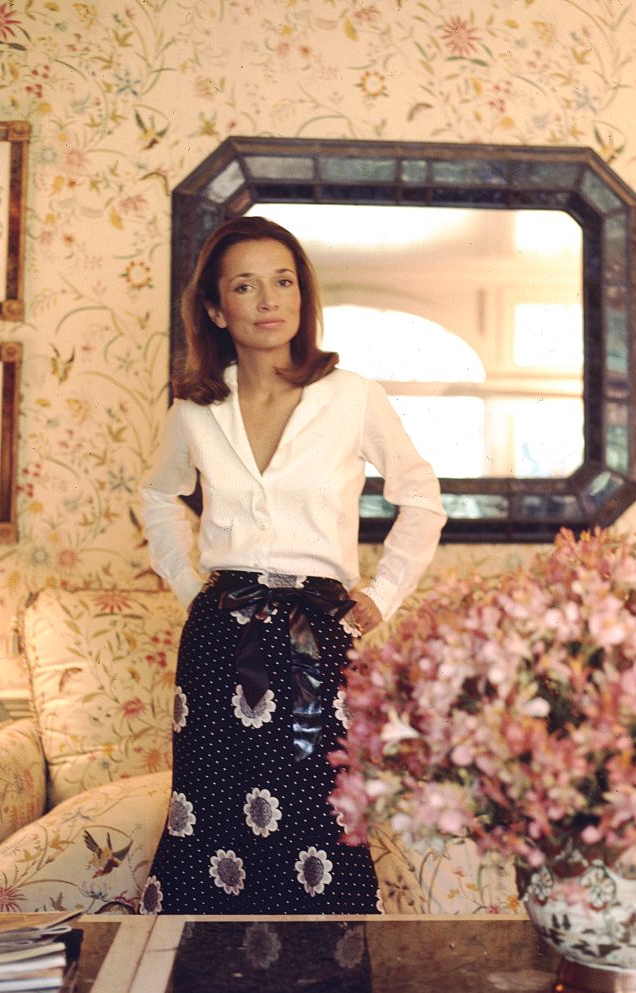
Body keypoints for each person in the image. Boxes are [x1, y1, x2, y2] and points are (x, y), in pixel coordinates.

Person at [137, 215, 446, 914]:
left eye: (283, 282)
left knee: (319, 819)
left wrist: (384, 592)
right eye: (245, 286)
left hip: (318, 633)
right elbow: (157, 497)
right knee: (209, 812)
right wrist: (190, 586)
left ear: (302, 299)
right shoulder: (194, 408)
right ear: (216, 309)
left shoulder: (351, 396)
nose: (269, 300)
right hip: (220, 636)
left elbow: (422, 498)